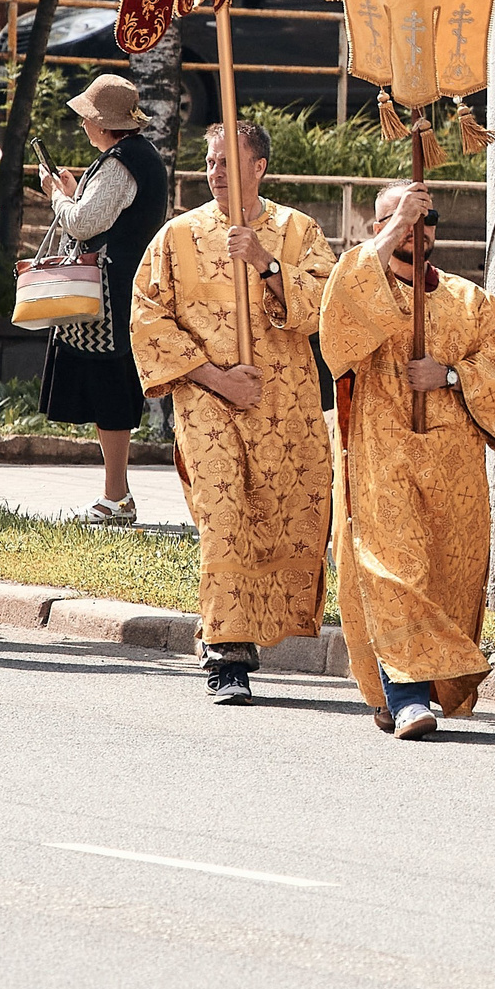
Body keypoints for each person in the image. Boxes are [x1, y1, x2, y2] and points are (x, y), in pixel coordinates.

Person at [129, 120, 336, 706]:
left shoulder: (299, 231)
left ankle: (260, 634)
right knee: (223, 520)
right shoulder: (178, 236)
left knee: (283, 518)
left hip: (286, 405)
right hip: (209, 404)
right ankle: (227, 650)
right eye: (210, 161)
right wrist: (216, 378)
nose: (214, 172)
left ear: (260, 168)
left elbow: (327, 305)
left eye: (226, 162)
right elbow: (148, 318)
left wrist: (269, 265)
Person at [319, 177, 495, 737]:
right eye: (401, 219)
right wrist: (396, 225)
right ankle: (409, 695)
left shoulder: (470, 300)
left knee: (444, 581)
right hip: (381, 457)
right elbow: (336, 321)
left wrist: (453, 374)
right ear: (377, 228)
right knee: (394, 569)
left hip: (453, 466)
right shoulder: (362, 285)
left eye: (426, 219)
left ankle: (412, 684)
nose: (418, 228)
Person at [36, 75, 171, 522]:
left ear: (101, 123)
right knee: (112, 389)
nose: (81, 126)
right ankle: (117, 494)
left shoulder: (119, 163)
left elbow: (82, 222)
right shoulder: (138, 156)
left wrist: (59, 198)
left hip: (108, 297)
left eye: (86, 119)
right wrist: (74, 197)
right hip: (121, 286)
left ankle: (117, 496)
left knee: (111, 389)